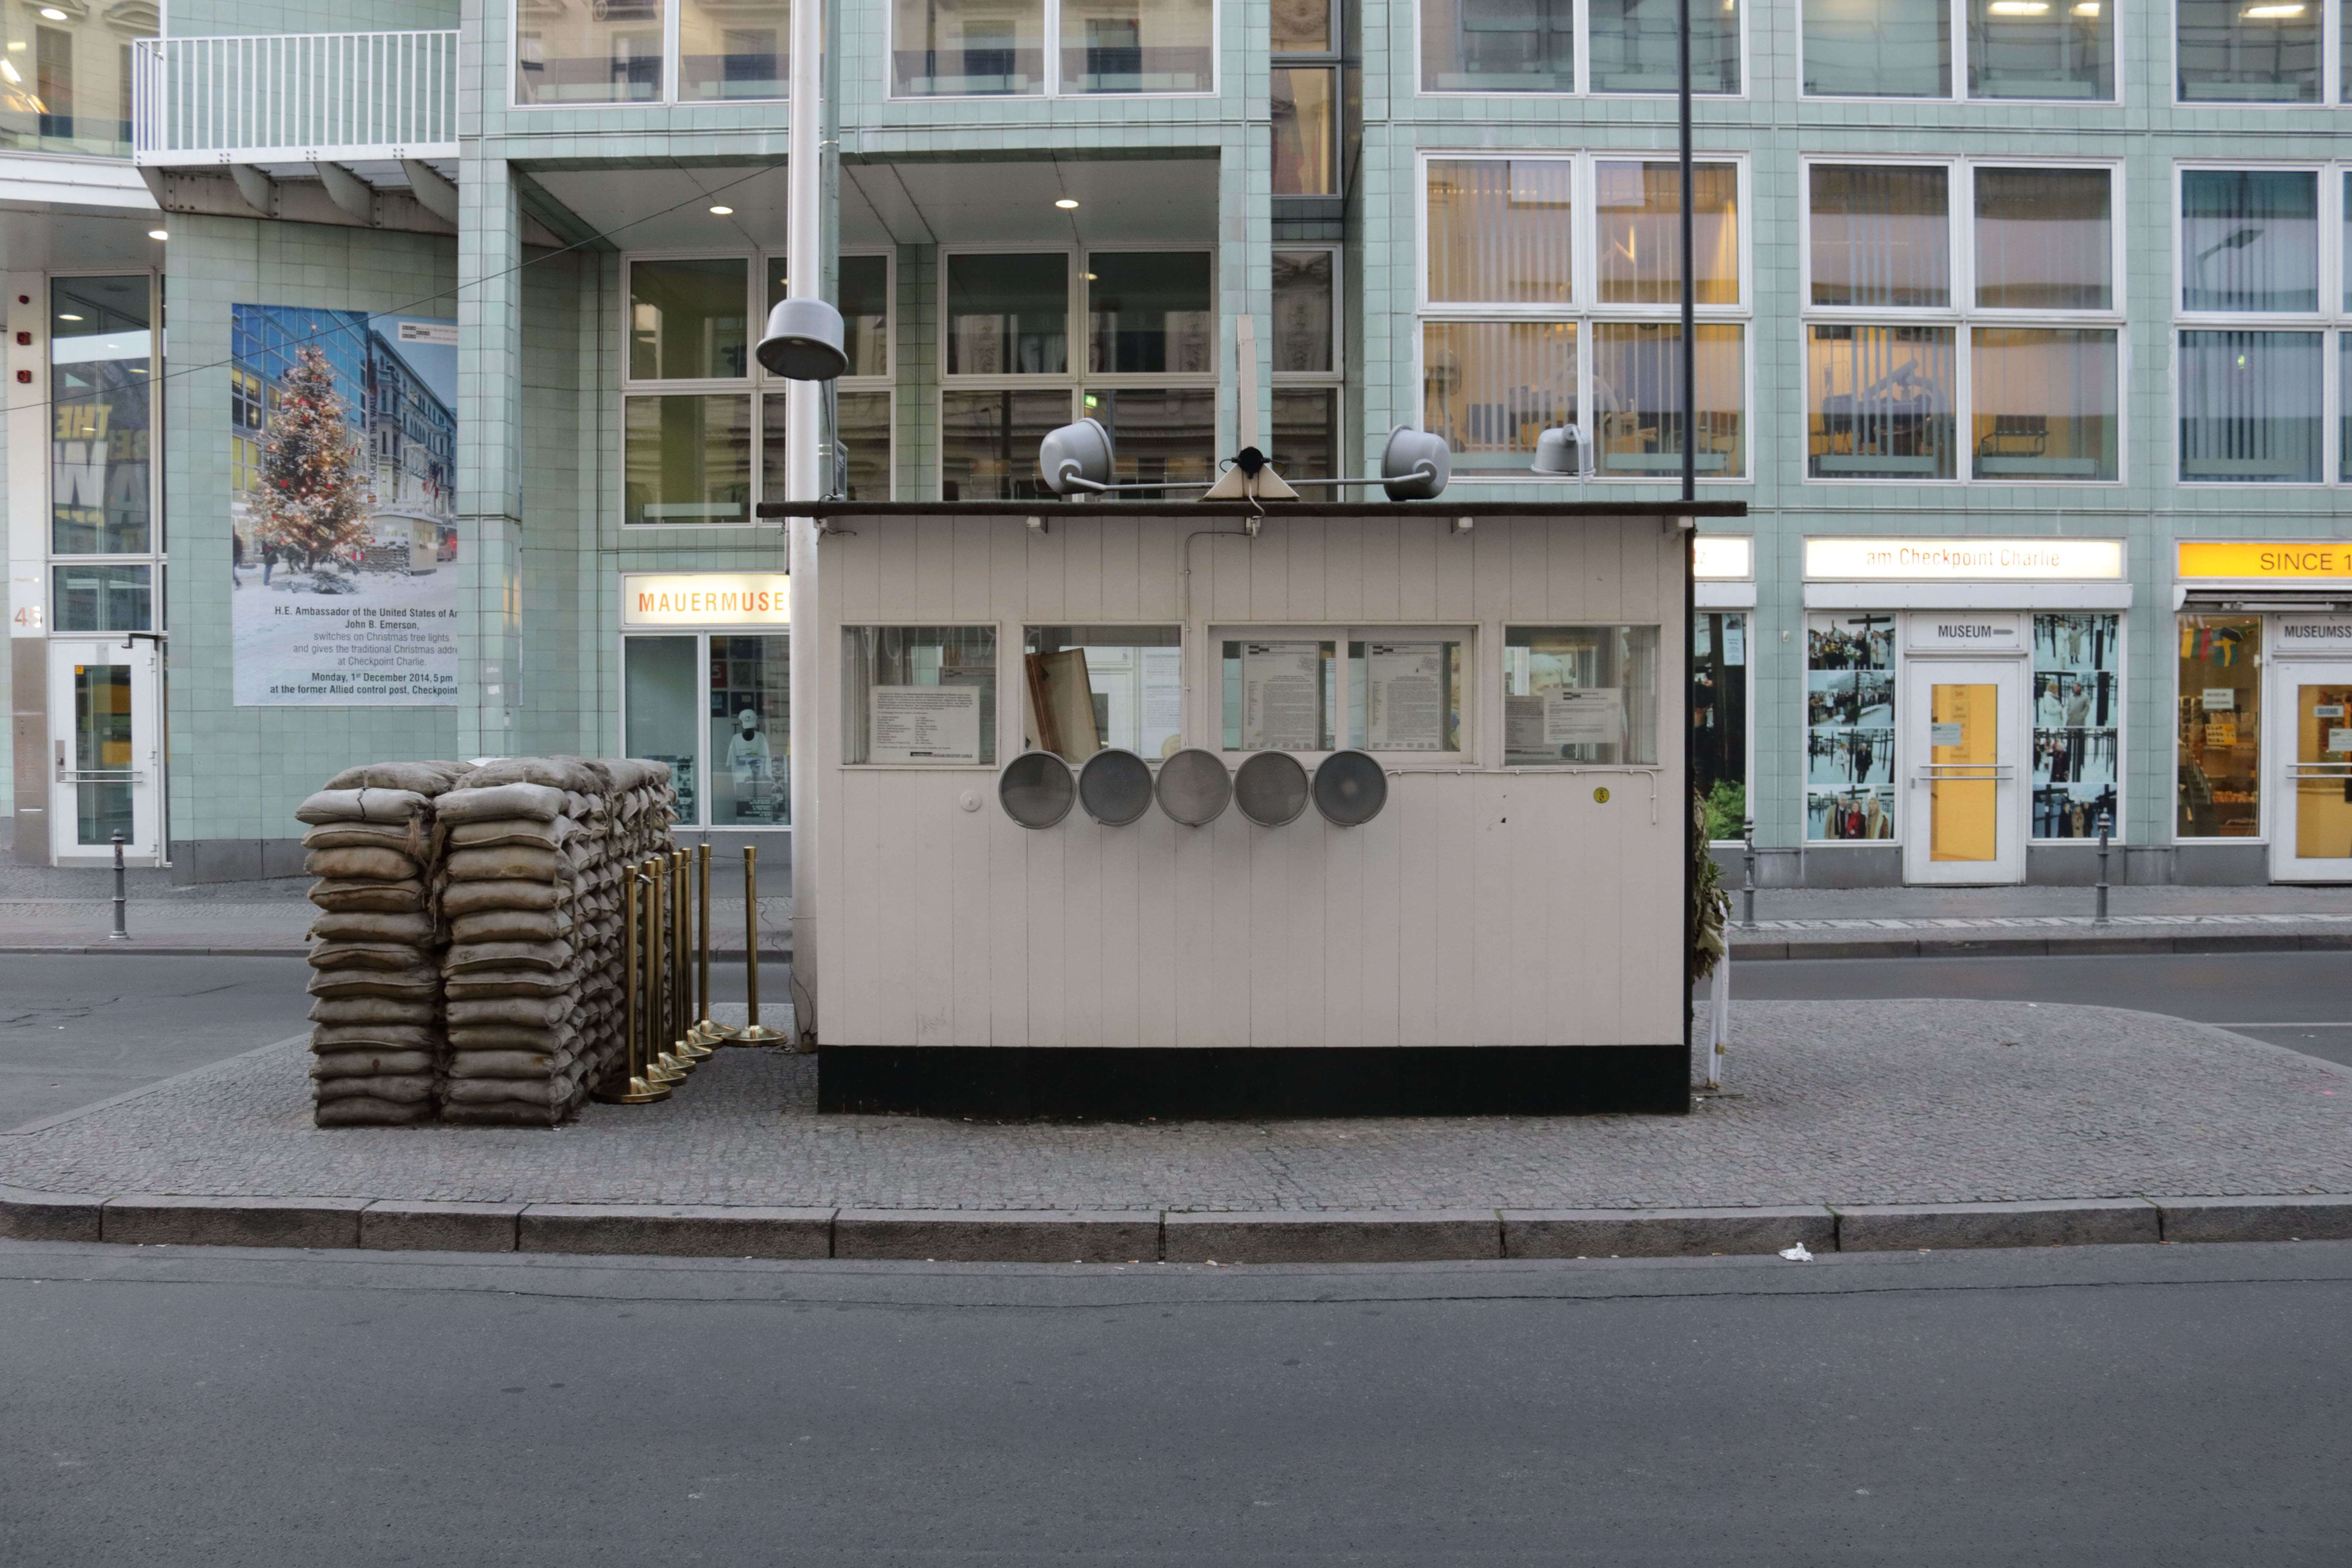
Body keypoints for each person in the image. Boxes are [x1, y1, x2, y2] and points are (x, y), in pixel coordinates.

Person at [728, 708, 775, 818]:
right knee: (749, 804)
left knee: (750, 805)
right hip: (748, 780)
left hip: (752, 779)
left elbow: (729, 762)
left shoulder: (760, 738)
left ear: (740, 723)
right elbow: (767, 758)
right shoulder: (739, 739)